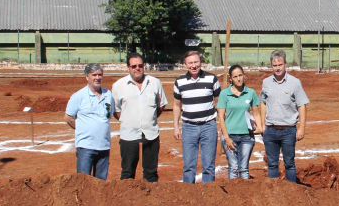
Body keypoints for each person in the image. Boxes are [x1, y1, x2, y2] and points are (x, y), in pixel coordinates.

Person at [112, 53, 168, 182]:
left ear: (144, 66)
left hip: (151, 133)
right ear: (128, 68)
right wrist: (129, 121)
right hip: (129, 134)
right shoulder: (118, 86)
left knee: (151, 173)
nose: (137, 68)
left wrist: (149, 119)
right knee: (127, 172)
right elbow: (116, 110)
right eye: (133, 66)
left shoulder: (155, 83)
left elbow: (160, 106)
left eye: (140, 65)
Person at [259, 50, 310, 183]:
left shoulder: (295, 83)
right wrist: (263, 125)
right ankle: (273, 194)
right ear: (271, 66)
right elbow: (263, 103)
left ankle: (292, 194)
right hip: (270, 129)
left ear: (285, 64)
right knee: (272, 164)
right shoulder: (266, 83)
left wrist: (301, 128)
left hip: (288, 130)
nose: (277, 68)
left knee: (289, 163)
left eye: (280, 65)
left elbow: (302, 106)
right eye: (274, 65)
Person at [173, 51, 221, 184]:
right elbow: (177, 106)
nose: (193, 66)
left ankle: (208, 195)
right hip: (189, 127)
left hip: (208, 126)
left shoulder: (212, 79)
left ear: (200, 62)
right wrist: (176, 127)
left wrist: (223, 125)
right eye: (190, 63)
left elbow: (219, 103)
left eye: (196, 62)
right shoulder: (180, 82)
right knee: (188, 166)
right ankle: (189, 197)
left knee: (209, 165)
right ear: (185, 64)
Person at [64, 63, 115, 180]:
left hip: (104, 145)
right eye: (94, 75)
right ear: (87, 77)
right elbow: (68, 117)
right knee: (83, 181)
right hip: (86, 146)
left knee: (101, 183)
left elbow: (109, 116)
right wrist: (82, 129)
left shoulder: (108, 94)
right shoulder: (78, 96)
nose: (97, 77)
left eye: (100, 75)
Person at [216, 64, 264, 180]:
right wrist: (226, 137)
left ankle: (244, 196)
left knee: (243, 168)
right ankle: (233, 196)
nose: (239, 79)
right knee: (233, 167)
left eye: (240, 75)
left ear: (244, 75)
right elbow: (221, 117)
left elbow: (256, 112)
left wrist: (260, 128)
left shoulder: (250, 92)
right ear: (230, 79)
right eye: (235, 76)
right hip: (230, 136)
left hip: (247, 136)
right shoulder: (224, 94)